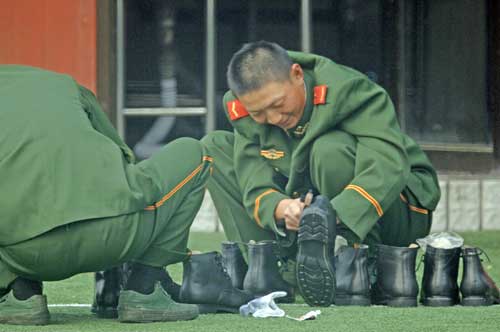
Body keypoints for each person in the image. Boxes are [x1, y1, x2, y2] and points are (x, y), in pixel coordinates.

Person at [202, 41, 440, 304]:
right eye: (258, 113)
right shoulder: (242, 108)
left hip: (396, 209)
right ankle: (271, 269)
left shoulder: (349, 90)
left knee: (329, 149)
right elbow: (253, 180)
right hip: (309, 205)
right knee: (214, 147)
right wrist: (283, 208)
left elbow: (388, 166)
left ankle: (361, 265)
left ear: (296, 74)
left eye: (278, 103)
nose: (273, 118)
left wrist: (329, 215)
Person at [0, 65, 212, 325]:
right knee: (195, 152)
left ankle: (21, 294)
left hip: (26, 256)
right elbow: (123, 156)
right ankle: (145, 287)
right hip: (120, 237)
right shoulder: (62, 83)